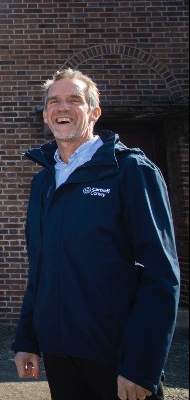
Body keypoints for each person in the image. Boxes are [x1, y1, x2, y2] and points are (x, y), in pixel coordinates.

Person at [12, 68, 179, 400]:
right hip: (60, 353)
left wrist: (142, 365)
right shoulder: (43, 181)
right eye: (54, 101)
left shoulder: (130, 171)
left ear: (94, 111)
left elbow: (161, 275)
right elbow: (41, 269)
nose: (63, 107)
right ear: (45, 114)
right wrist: (27, 339)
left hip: (115, 357)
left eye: (74, 99)